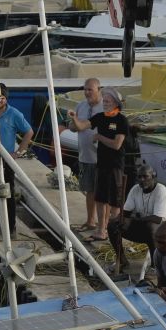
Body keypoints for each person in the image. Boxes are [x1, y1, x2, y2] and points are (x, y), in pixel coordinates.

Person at [107, 166, 166, 280]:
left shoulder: (161, 190)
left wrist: (134, 219)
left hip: (163, 230)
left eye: (145, 176)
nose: (142, 180)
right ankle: (122, 260)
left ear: (153, 177)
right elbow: (126, 212)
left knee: (151, 227)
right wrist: (119, 219)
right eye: (139, 177)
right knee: (113, 224)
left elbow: (157, 219)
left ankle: (155, 267)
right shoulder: (135, 189)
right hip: (143, 227)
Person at [82, 87, 130, 236]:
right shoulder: (100, 117)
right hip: (101, 164)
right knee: (100, 198)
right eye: (105, 100)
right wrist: (74, 119)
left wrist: (99, 137)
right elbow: (83, 125)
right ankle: (101, 230)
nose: (105, 103)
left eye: (108, 101)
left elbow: (117, 145)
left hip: (115, 166)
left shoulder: (122, 120)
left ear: (116, 103)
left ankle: (115, 232)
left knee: (115, 201)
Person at [69, 78, 105, 230]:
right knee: (89, 190)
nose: (87, 92)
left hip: (101, 158)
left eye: (90, 89)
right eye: (85, 89)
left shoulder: (105, 107)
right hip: (85, 156)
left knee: (101, 193)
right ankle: (90, 220)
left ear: (99, 89)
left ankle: (104, 224)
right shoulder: (81, 106)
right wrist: (74, 122)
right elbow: (72, 127)